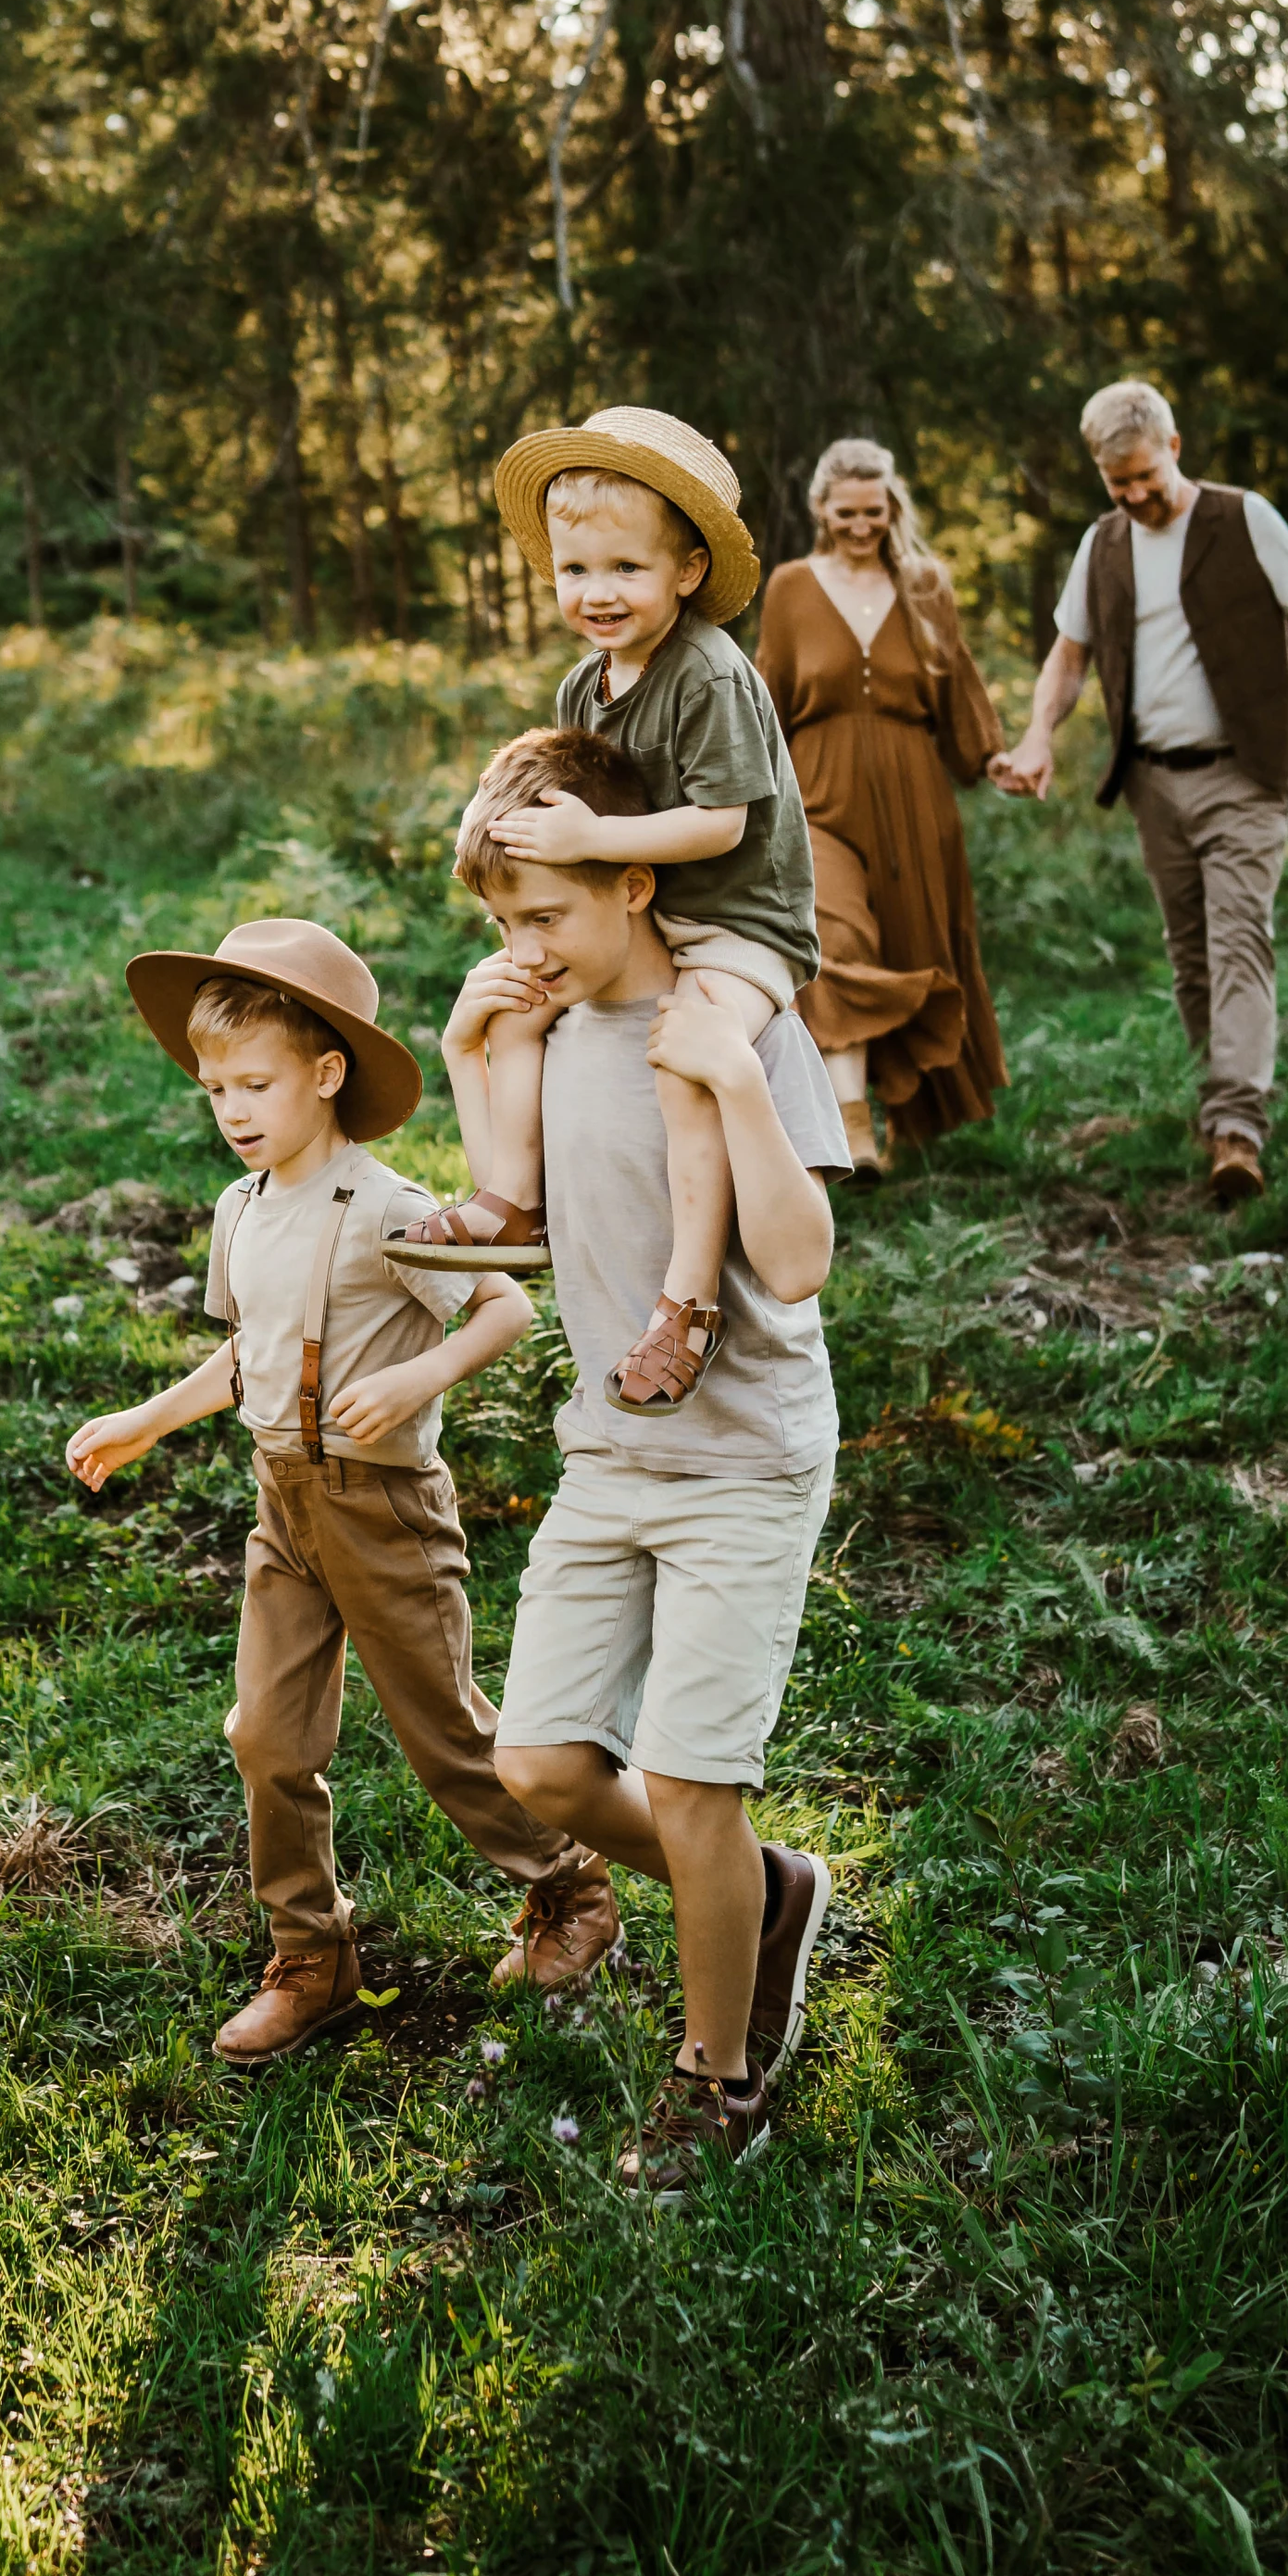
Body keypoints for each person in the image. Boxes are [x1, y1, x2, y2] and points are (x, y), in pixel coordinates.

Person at [62, 918, 620, 2066]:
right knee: (266, 1739)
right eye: (214, 1086)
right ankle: (311, 1952)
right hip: (284, 1505)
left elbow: (505, 1307)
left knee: (448, 1736)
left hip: (385, 1512)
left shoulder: (389, 1210)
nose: (230, 1108)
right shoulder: (239, 1208)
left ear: (326, 1076)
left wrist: (418, 1372)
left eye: (254, 1083)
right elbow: (246, 1358)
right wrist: (142, 1422)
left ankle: (570, 1890)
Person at [437, 726, 843, 2188]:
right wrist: (468, 1044)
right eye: (501, 924)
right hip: (609, 1456)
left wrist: (735, 1084)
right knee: (540, 1761)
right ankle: (757, 1896)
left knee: (687, 1779)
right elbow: (517, 1206)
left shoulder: (733, 1022)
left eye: (543, 916)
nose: (524, 944)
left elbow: (797, 1265)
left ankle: (715, 2072)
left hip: (742, 1459)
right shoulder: (552, 1034)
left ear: (631, 882)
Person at [392, 406, 818, 1417]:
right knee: (524, 1007)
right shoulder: (583, 686)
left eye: (625, 570)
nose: (598, 594)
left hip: (740, 921)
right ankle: (513, 1199)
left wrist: (590, 844)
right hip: (643, 908)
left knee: (683, 1061)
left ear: (682, 572)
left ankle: (688, 1300)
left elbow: (716, 825)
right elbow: (578, 799)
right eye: (575, 571)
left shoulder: (708, 672)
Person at [994, 380, 1288, 1206]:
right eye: (1120, 484)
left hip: (1246, 772)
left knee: (1239, 939)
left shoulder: (1244, 518)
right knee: (1190, 954)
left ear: (1175, 447)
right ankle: (1219, 1096)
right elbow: (1068, 655)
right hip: (1154, 780)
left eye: (1147, 475)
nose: (1138, 495)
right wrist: (1038, 734)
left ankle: (1237, 1128)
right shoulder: (1102, 545)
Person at [756, 437, 1007, 1181]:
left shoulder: (926, 584)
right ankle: (852, 1123)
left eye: (875, 510)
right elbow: (767, 698)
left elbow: (958, 691)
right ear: (821, 511)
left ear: (891, 505)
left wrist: (997, 759)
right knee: (831, 943)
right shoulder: (792, 587)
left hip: (915, 802)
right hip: (817, 798)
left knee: (916, 949)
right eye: (847, 512)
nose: (862, 525)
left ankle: (915, 1127)